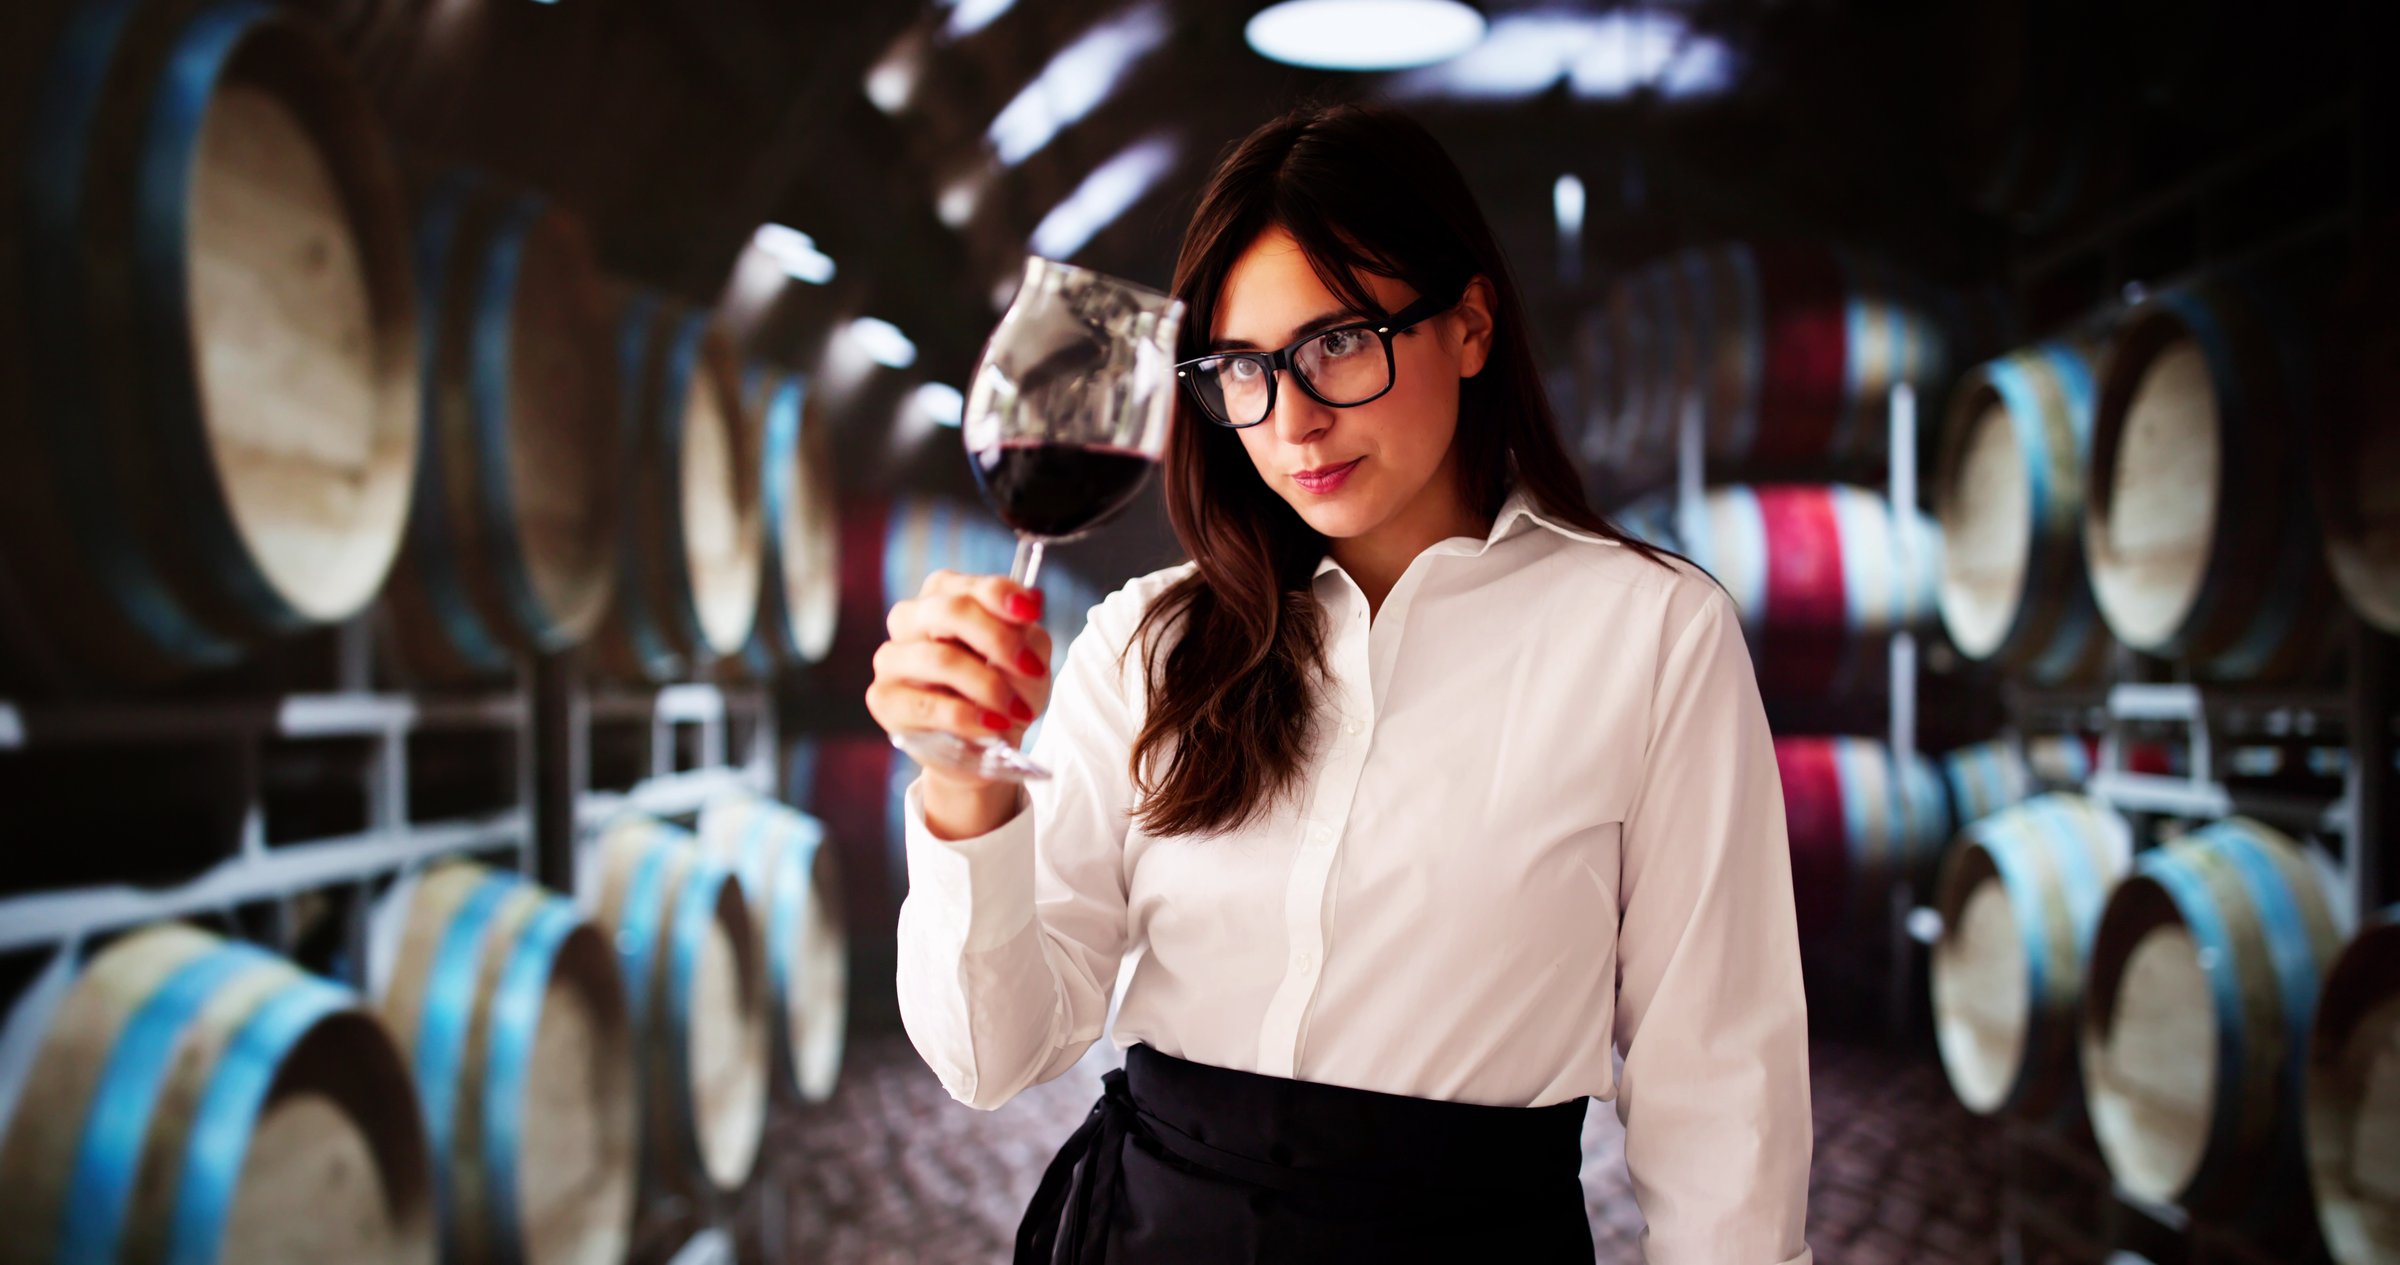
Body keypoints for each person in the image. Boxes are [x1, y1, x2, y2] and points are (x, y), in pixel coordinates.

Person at [867, 101, 1813, 1264]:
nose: (1294, 419)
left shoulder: (1653, 633)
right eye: (1245, 369)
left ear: (1470, 324)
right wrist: (963, 790)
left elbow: (1721, 1088)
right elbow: (990, 1055)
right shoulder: (1148, 640)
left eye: (1340, 343)